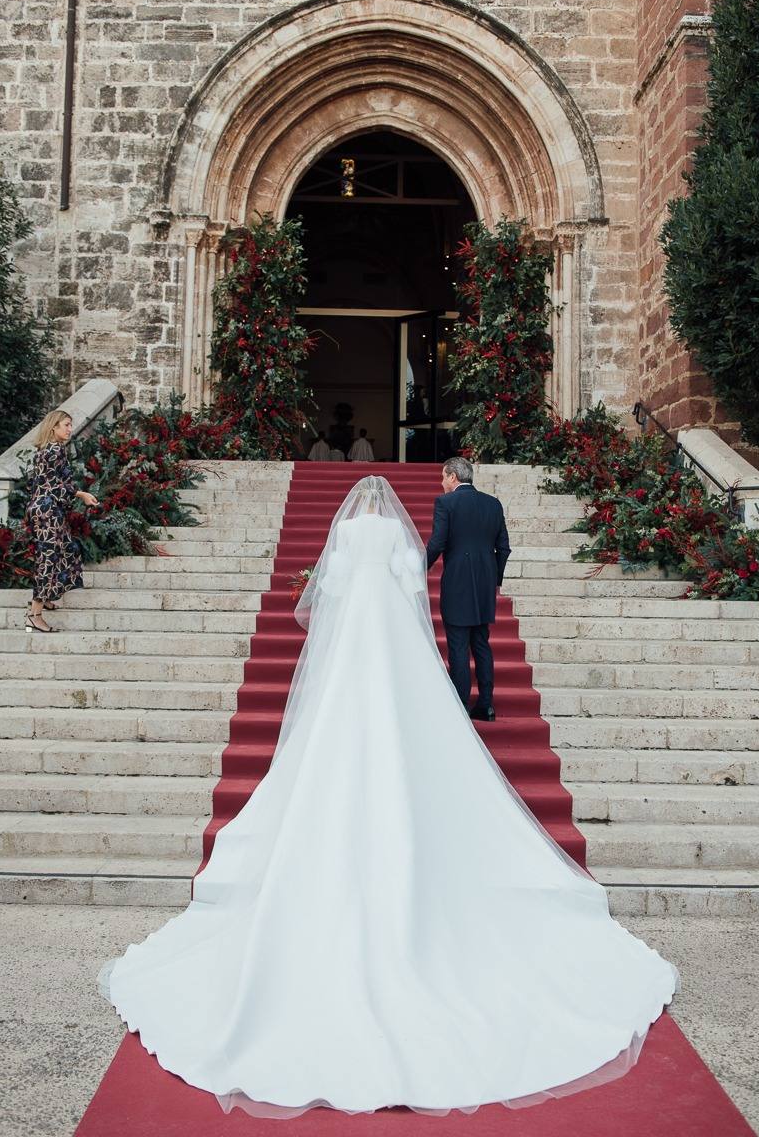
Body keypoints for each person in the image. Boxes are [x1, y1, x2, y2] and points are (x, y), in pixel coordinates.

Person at [98, 476, 678, 1120]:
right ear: (388, 509)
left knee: (336, 725)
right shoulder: (400, 536)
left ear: (355, 510)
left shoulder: (345, 534)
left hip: (352, 645)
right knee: (411, 721)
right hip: (394, 641)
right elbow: (409, 584)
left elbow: (332, 586)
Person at [425, 456, 510, 721]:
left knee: (459, 646)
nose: (441, 482)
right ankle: (486, 705)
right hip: (484, 584)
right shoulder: (492, 504)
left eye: (442, 477)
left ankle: (460, 705)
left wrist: (418, 570)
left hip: (458, 583)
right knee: (481, 643)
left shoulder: (446, 503)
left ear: (452, 477)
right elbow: (504, 548)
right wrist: (493, 579)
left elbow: (437, 544)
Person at [24, 409, 98, 633]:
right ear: (54, 427)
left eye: (70, 425)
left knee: (66, 550)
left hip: (41, 507)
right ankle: (34, 615)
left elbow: (36, 483)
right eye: (66, 424)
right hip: (48, 510)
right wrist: (82, 495)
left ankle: (44, 597)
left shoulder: (43, 450)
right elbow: (58, 485)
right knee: (49, 558)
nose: (69, 429)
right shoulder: (56, 450)